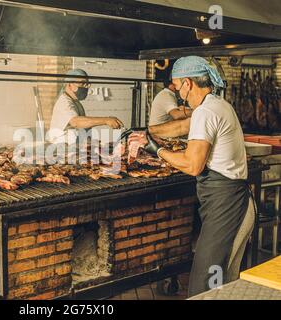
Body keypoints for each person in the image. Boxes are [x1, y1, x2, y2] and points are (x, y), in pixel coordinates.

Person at [141, 56, 250, 297]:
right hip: (230, 201)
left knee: (206, 284)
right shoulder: (217, 105)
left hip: (229, 206)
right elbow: (182, 127)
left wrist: (157, 150)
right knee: (221, 281)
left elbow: (192, 165)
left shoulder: (207, 111)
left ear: (188, 83)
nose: (179, 93)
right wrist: (145, 132)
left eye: (178, 86)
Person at [48, 69, 124, 145]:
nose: (85, 87)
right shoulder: (64, 102)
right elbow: (76, 122)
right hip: (60, 148)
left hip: (73, 147)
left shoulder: (76, 102)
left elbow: (82, 127)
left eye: (87, 84)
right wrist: (105, 120)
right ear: (69, 85)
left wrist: (92, 142)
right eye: (82, 83)